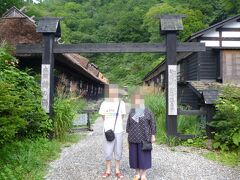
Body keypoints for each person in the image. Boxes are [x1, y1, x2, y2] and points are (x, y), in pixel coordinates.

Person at [126, 90, 156, 180]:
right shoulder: (132, 110)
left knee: (144, 156)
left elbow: (153, 123)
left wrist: (153, 135)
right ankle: (137, 173)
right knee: (134, 155)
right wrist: (127, 136)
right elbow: (128, 124)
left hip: (145, 137)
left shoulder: (147, 110)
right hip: (133, 137)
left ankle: (144, 174)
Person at [99, 84, 126, 179]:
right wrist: (108, 125)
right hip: (107, 131)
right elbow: (103, 116)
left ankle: (118, 170)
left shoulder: (121, 103)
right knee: (108, 151)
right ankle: (108, 170)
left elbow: (122, 116)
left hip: (118, 130)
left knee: (118, 151)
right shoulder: (104, 103)